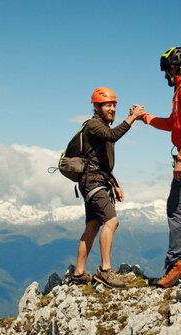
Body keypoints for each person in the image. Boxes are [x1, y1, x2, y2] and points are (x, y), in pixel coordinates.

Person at [132, 46, 181, 288]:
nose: (165, 76)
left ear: (174, 68)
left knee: (175, 208)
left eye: (166, 71)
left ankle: (175, 263)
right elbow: (173, 124)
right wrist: (144, 118)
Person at [71, 87, 145, 289]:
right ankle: (105, 270)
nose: (112, 108)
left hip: (95, 180)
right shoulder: (94, 125)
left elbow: (99, 161)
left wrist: (114, 183)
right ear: (96, 106)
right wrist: (132, 118)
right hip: (93, 182)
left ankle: (78, 273)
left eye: (114, 105)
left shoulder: (100, 127)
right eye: (107, 105)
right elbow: (112, 135)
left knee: (93, 225)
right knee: (111, 220)